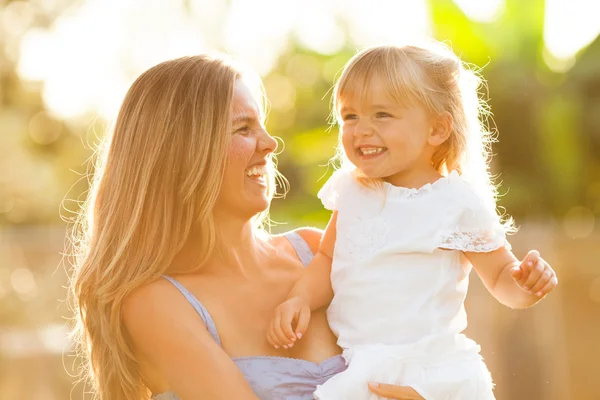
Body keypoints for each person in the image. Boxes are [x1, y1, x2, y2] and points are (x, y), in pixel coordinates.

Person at [69, 54, 421, 400]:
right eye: (243, 129)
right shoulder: (154, 302)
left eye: (262, 126)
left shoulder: (319, 253)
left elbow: (427, 348)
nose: (270, 144)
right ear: (184, 152)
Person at [267, 43, 559, 400]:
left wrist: (524, 286)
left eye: (382, 115)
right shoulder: (353, 192)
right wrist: (299, 298)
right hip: (363, 366)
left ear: (436, 129)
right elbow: (328, 261)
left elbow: (499, 276)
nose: (361, 130)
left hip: (433, 374)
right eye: (350, 116)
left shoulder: (455, 201)